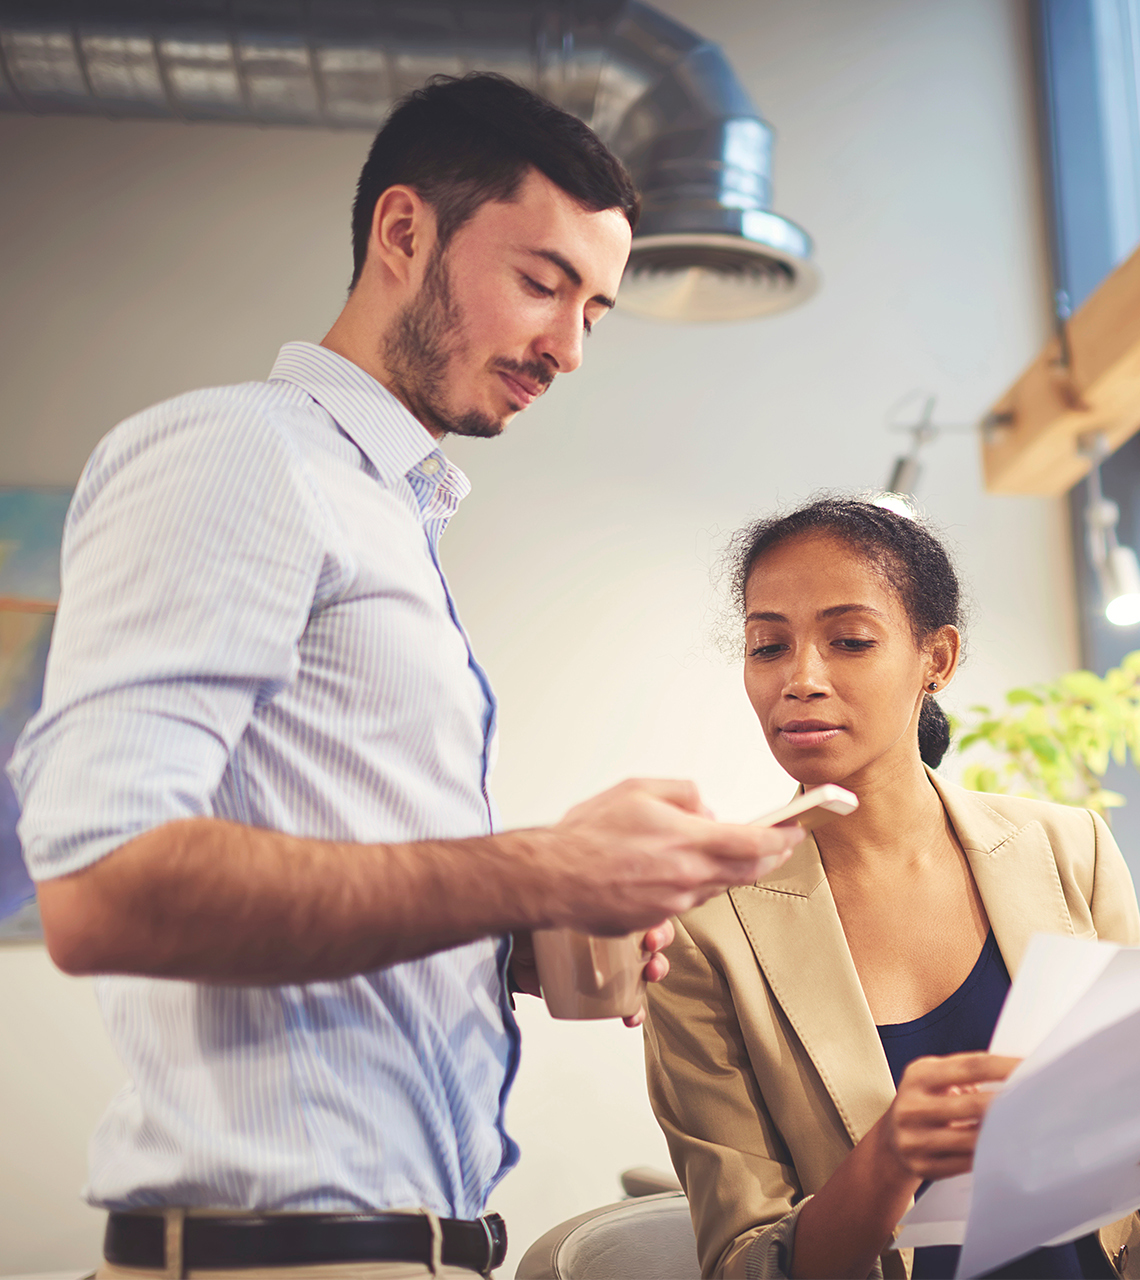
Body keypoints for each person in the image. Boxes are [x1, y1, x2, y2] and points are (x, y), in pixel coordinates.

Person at [8, 73, 799, 1279]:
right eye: (541, 283)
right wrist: (542, 863)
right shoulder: (240, 454)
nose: (570, 348)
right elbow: (103, 885)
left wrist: (529, 935)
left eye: (595, 308)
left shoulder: (386, 514)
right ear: (402, 232)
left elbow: (335, 879)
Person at [644, 498, 1140, 1280]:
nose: (801, 679)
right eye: (767, 646)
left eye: (849, 641)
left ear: (937, 659)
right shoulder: (701, 929)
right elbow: (744, 1264)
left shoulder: (1067, 848)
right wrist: (886, 1165)